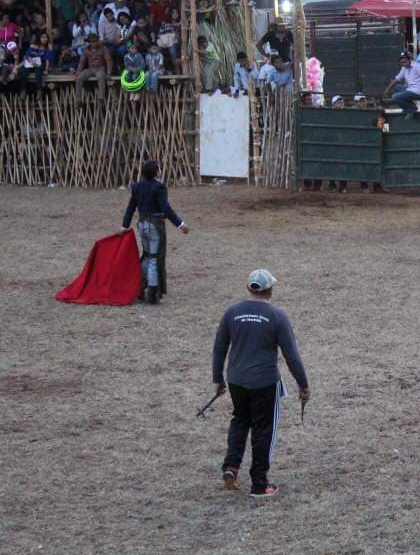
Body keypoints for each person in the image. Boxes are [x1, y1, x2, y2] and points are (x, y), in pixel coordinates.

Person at [212, 268, 309, 498]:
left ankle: (231, 467)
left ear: (249, 288)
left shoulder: (232, 312)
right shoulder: (277, 316)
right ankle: (259, 483)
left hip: (237, 379)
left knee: (240, 420)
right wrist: (303, 385)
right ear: (270, 291)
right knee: (264, 430)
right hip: (265, 383)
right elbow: (291, 355)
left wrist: (217, 378)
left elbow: (219, 347)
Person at [120, 159, 189, 304]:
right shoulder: (159, 187)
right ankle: (151, 293)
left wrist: (124, 225)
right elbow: (166, 208)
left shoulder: (137, 186)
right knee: (154, 258)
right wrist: (180, 224)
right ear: (156, 172)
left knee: (147, 256)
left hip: (142, 224)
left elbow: (131, 207)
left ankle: (139, 287)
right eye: (159, 169)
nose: (160, 171)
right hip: (155, 225)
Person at [383, 51, 420, 117]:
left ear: (409, 59)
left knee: (395, 97)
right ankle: (410, 106)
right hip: (410, 88)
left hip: (418, 91)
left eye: (405, 61)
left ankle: (411, 108)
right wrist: (387, 89)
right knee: (396, 87)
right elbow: (397, 79)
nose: (403, 63)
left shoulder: (417, 66)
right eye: (402, 62)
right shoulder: (404, 68)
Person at [75, 33, 113, 100]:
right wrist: (79, 70)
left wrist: (109, 73)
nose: (93, 43)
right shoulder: (87, 49)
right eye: (91, 42)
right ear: (89, 42)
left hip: (100, 68)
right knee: (78, 78)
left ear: (98, 41)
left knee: (101, 77)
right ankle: (78, 99)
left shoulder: (104, 48)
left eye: (95, 41)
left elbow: (108, 61)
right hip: (90, 69)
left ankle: (101, 98)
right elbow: (82, 61)